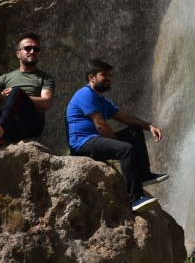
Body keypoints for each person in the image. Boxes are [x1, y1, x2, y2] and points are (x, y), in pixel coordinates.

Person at [65, 59, 168, 213]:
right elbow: (100, 125)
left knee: (134, 131)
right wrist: (118, 146)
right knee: (125, 149)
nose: (109, 78)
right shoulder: (84, 94)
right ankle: (136, 198)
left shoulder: (101, 99)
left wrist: (150, 126)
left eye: (109, 74)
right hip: (82, 143)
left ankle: (143, 174)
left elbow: (126, 118)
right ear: (91, 78)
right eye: (103, 74)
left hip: (94, 139)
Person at [0, 31, 55, 155]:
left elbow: (47, 103)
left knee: (17, 91)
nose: (32, 51)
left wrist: (22, 95)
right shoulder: (5, 78)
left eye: (36, 49)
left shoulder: (45, 78)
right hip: (11, 126)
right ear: (18, 53)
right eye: (28, 48)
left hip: (32, 125)